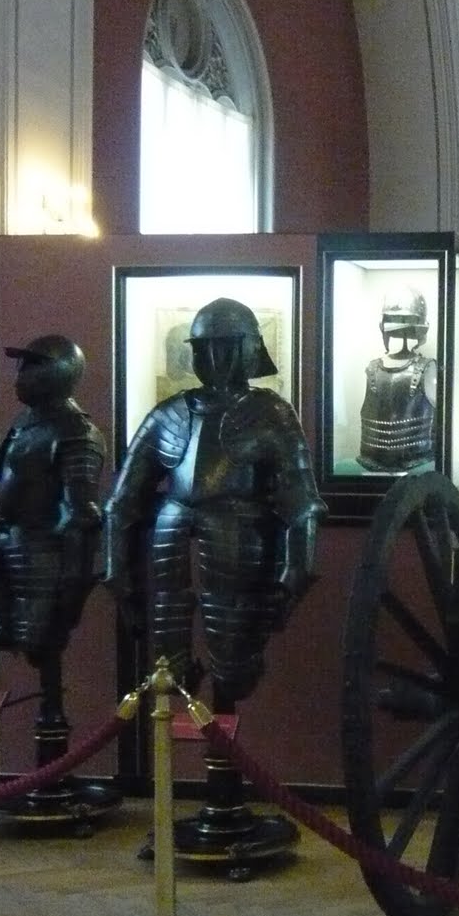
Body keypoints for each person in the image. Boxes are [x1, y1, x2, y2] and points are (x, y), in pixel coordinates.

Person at [104, 297, 325, 708]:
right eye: (206, 349)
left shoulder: (270, 413)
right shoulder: (169, 413)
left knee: (234, 669)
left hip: (240, 542)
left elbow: (302, 503)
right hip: (170, 547)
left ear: (248, 350)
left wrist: (294, 574)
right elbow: (122, 502)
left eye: (226, 348)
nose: (216, 358)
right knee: (169, 673)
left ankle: (222, 740)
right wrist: (119, 575)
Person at [0, 333, 106, 726]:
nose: (21, 374)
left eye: (33, 365)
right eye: (22, 365)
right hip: (10, 543)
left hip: (45, 555)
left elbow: (82, 514)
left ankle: (53, 725)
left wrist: (73, 586)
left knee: (41, 642)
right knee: (3, 633)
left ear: (61, 372)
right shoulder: (24, 424)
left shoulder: (75, 431)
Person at [358, 294, 438, 472]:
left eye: (407, 321)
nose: (401, 327)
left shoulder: (427, 368)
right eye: (394, 320)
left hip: (417, 461)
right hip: (371, 460)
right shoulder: (372, 368)